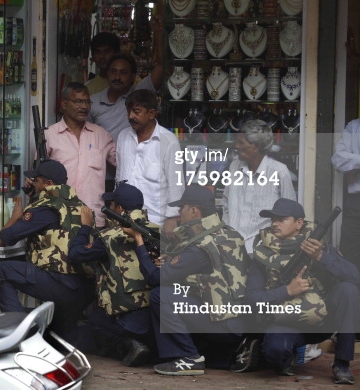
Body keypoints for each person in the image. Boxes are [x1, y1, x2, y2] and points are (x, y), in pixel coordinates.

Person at [245, 198, 359, 384]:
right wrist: (287, 291)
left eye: (282, 219)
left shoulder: (317, 245)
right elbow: (251, 299)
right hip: (286, 319)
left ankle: (342, 365)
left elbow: (354, 275)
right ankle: (289, 352)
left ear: (299, 223)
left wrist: (321, 257)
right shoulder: (262, 254)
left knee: (348, 290)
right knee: (276, 355)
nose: (274, 223)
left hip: (322, 319)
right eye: (273, 219)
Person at [141, 185, 250, 376]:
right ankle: (237, 348)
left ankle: (188, 357)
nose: (178, 214)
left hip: (224, 324)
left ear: (193, 210)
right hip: (238, 319)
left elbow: (156, 278)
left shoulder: (201, 246)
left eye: (181, 208)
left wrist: (139, 246)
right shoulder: (229, 233)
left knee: (162, 295)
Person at [0, 159, 94, 335]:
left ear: (49, 183)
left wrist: (16, 216)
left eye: (37, 181)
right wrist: (33, 196)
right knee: (55, 341)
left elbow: (2, 239)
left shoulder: (44, 209)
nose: (33, 184)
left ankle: (17, 328)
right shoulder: (81, 206)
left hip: (59, 286)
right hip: (83, 290)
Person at [67, 183, 157, 366]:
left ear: (120, 209)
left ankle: (128, 345)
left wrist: (85, 227)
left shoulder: (109, 237)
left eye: (113, 204)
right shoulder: (157, 231)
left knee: (88, 327)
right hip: (158, 319)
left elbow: (76, 254)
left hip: (128, 321)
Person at [45, 82, 116, 228]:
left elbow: (124, 162)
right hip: (59, 218)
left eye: (87, 102)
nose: (84, 106)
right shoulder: (49, 135)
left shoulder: (101, 135)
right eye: (78, 101)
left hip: (93, 219)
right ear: (64, 104)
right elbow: (38, 178)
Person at [222, 119, 296, 254]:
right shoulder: (234, 166)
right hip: (232, 247)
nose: (236, 146)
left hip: (264, 248)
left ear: (255, 146)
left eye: (241, 143)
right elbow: (226, 202)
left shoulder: (279, 171)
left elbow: (289, 213)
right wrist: (228, 234)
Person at [115, 89, 184, 232]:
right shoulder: (123, 136)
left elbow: (176, 184)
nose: (130, 116)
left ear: (151, 114)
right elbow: (119, 175)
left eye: (136, 111)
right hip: (124, 218)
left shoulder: (169, 141)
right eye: (128, 111)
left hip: (154, 221)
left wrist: (171, 218)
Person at [87, 16, 164, 143]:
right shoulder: (94, 101)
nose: (117, 77)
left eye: (123, 72)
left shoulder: (138, 94)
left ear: (133, 76)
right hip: (103, 161)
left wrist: (158, 34)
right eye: (113, 72)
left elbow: (160, 67)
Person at [331, 118, 360, 271]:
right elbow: (337, 160)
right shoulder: (354, 127)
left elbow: (346, 159)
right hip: (356, 204)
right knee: (349, 259)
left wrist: (353, 164)